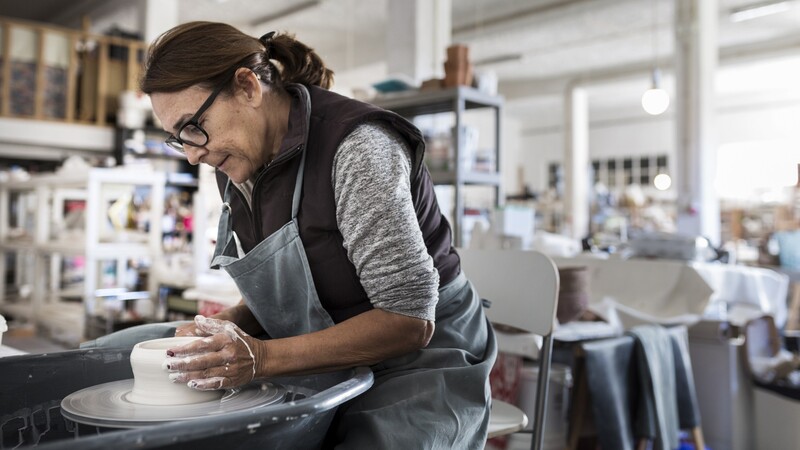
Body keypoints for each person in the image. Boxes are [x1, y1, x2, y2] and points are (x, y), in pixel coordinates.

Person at [86, 21, 497, 449]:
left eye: (194, 127)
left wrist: (261, 358)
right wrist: (233, 321)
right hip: (312, 333)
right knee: (108, 354)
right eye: (178, 138)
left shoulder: (358, 149)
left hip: (418, 358)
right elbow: (302, 278)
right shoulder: (235, 157)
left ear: (247, 87)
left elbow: (409, 320)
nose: (192, 155)